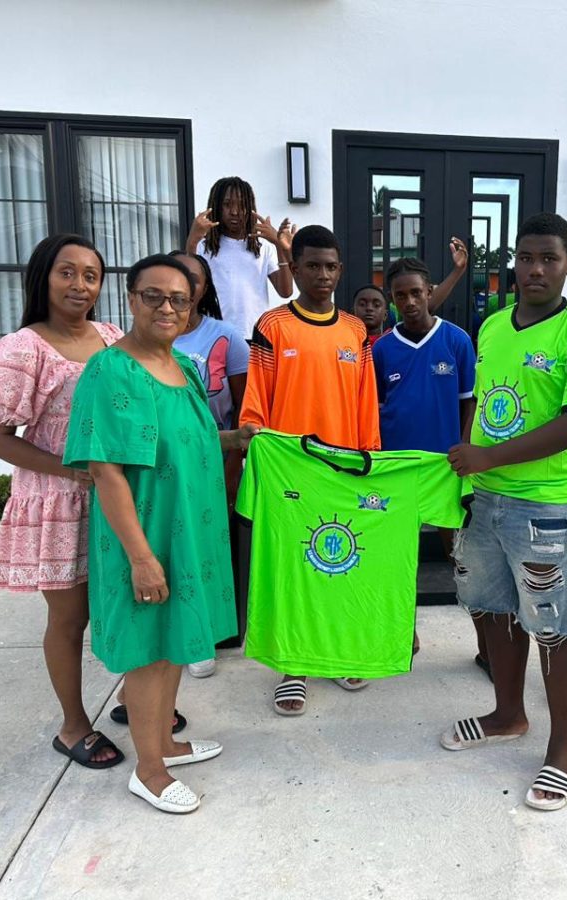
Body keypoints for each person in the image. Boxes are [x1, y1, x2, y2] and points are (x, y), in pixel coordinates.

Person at [63, 253, 255, 814]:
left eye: (179, 299)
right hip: (144, 535)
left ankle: (166, 743)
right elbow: (106, 470)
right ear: (130, 300)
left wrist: (233, 439)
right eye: (154, 296)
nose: (167, 307)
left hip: (190, 531)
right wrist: (142, 559)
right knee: (149, 653)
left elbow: (183, 439)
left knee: (174, 643)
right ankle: (147, 770)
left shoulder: (186, 369)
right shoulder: (110, 370)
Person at [442, 212, 567, 812]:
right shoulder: (491, 327)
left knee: (554, 627)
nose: (536, 269)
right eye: (526, 257)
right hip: (486, 501)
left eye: (549, 258)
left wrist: (487, 455)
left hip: (549, 507)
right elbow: (484, 406)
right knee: (491, 610)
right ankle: (507, 714)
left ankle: (563, 751)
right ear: (513, 262)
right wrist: (468, 475)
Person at [0, 234, 125, 770]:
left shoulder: (111, 337)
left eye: (91, 274)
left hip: (114, 496)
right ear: (43, 277)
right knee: (71, 617)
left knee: (121, 599)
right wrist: (75, 471)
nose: (80, 284)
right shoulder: (22, 348)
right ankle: (73, 726)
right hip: (59, 501)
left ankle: (133, 698)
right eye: (68, 272)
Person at [239, 224, 381, 714]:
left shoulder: (355, 330)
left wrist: (371, 457)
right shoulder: (273, 326)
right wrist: (256, 437)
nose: (323, 275)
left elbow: (367, 403)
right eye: (312, 266)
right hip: (292, 469)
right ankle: (293, 666)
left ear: (340, 270)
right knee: (294, 567)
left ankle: (339, 652)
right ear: (294, 269)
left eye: (331, 266)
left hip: (343, 468)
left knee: (342, 556)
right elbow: (257, 397)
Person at [374, 256, 477, 656]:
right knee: (401, 555)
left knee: (459, 553)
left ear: (430, 292)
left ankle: (482, 634)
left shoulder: (456, 340)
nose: (410, 301)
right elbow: (376, 408)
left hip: (445, 466)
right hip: (398, 468)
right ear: (393, 300)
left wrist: (465, 447)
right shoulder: (382, 349)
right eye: (401, 295)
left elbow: (469, 402)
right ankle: (405, 628)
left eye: (417, 292)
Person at [170, 250, 250, 678]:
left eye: (193, 279)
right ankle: (177, 631)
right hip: (159, 468)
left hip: (213, 461)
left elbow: (242, 409)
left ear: (203, 289)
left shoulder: (227, 337)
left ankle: (204, 635)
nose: (183, 286)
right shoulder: (143, 341)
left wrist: (234, 465)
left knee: (207, 550)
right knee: (168, 549)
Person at [185, 176, 295, 341]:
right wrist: (192, 240)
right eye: (227, 204)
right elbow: (187, 285)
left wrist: (279, 245)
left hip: (255, 334)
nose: (235, 212)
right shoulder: (204, 246)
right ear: (216, 207)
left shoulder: (262, 248)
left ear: (250, 207)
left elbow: (286, 291)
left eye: (242, 205)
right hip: (214, 334)